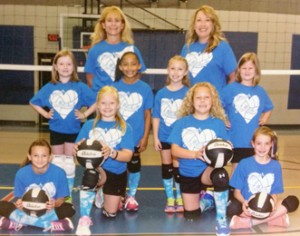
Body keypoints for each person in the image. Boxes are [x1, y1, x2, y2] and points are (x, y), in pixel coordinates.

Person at [30, 49, 96, 200]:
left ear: (74, 67)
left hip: (73, 130)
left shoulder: (79, 86)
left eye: (69, 64)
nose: (65, 67)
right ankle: (58, 194)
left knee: (69, 163)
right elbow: (33, 102)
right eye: (61, 64)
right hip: (56, 129)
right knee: (58, 162)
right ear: (55, 67)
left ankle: (68, 196)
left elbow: (96, 102)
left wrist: (84, 114)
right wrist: (46, 114)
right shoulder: (50, 87)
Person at [167, 82, 231, 236]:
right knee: (191, 216)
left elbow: (226, 149)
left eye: (206, 97)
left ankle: (221, 220)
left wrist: (226, 151)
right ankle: (208, 201)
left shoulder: (218, 124)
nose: (202, 101)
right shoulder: (182, 123)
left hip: (207, 171)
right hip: (188, 173)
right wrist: (195, 154)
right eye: (198, 98)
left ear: (213, 100)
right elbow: (174, 150)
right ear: (191, 101)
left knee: (221, 175)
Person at [73, 86, 134, 236]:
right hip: (97, 170)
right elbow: (77, 151)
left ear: (118, 105)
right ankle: (84, 219)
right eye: (103, 103)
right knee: (90, 174)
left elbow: (128, 156)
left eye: (111, 103)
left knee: (110, 214)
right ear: (98, 105)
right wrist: (76, 150)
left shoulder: (125, 127)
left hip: (116, 171)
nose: (107, 107)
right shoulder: (89, 125)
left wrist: (112, 152)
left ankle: (101, 194)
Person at [228, 126, 299, 229]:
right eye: (259, 143)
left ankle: (247, 223)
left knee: (293, 201)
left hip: (266, 206)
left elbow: (274, 193)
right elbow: (236, 192)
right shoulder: (244, 163)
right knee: (232, 208)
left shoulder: (275, 166)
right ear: (253, 144)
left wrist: (273, 205)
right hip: (247, 207)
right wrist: (244, 203)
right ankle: (275, 218)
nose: (262, 148)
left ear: (271, 145)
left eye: (266, 143)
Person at [0, 139, 75, 232]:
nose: (40, 160)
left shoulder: (59, 173)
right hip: (27, 210)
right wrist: (20, 204)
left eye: (44, 156)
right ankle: (50, 224)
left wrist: (54, 204)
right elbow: (20, 198)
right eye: (36, 156)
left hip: (50, 211)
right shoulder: (21, 173)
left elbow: (61, 199)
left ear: (50, 157)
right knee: (2, 205)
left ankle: (20, 222)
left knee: (69, 208)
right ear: (29, 156)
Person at [112, 51, 153, 212]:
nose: (130, 67)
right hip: (117, 137)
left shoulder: (145, 88)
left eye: (133, 64)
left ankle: (131, 195)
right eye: (126, 64)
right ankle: (119, 193)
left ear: (139, 66)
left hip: (136, 135)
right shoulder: (114, 88)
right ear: (121, 67)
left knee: (134, 164)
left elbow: (147, 114)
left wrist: (145, 137)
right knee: (118, 165)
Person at [221, 52, 274, 174]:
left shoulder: (260, 91)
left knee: (250, 170)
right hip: (235, 138)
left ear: (256, 70)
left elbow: (269, 107)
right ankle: (233, 192)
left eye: (250, 68)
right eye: (244, 68)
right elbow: (216, 106)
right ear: (239, 70)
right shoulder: (230, 89)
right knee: (237, 169)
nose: (247, 71)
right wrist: (223, 119)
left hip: (253, 140)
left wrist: (265, 118)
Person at [152, 55, 190, 213]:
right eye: (173, 68)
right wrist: (155, 137)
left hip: (180, 140)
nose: (176, 72)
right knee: (166, 167)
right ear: (168, 70)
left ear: (185, 72)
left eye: (180, 69)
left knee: (178, 169)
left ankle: (180, 198)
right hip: (165, 136)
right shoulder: (161, 93)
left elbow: (190, 117)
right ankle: (170, 198)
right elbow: (156, 116)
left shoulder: (188, 93)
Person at [84, 5, 146, 95]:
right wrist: (102, 98)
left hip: (123, 98)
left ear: (122, 25)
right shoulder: (95, 50)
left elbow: (138, 74)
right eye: (109, 20)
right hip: (102, 101)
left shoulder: (131, 49)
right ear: (103, 25)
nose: (113, 24)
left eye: (117, 20)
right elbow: (90, 77)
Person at [181, 5, 237, 93]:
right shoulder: (187, 48)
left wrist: (223, 98)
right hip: (192, 103)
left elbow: (234, 77)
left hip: (215, 104)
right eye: (199, 20)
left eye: (207, 20)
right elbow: (182, 77)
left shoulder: (222, 47)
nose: (202, 24)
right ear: (194, 25)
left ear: (213, 24)